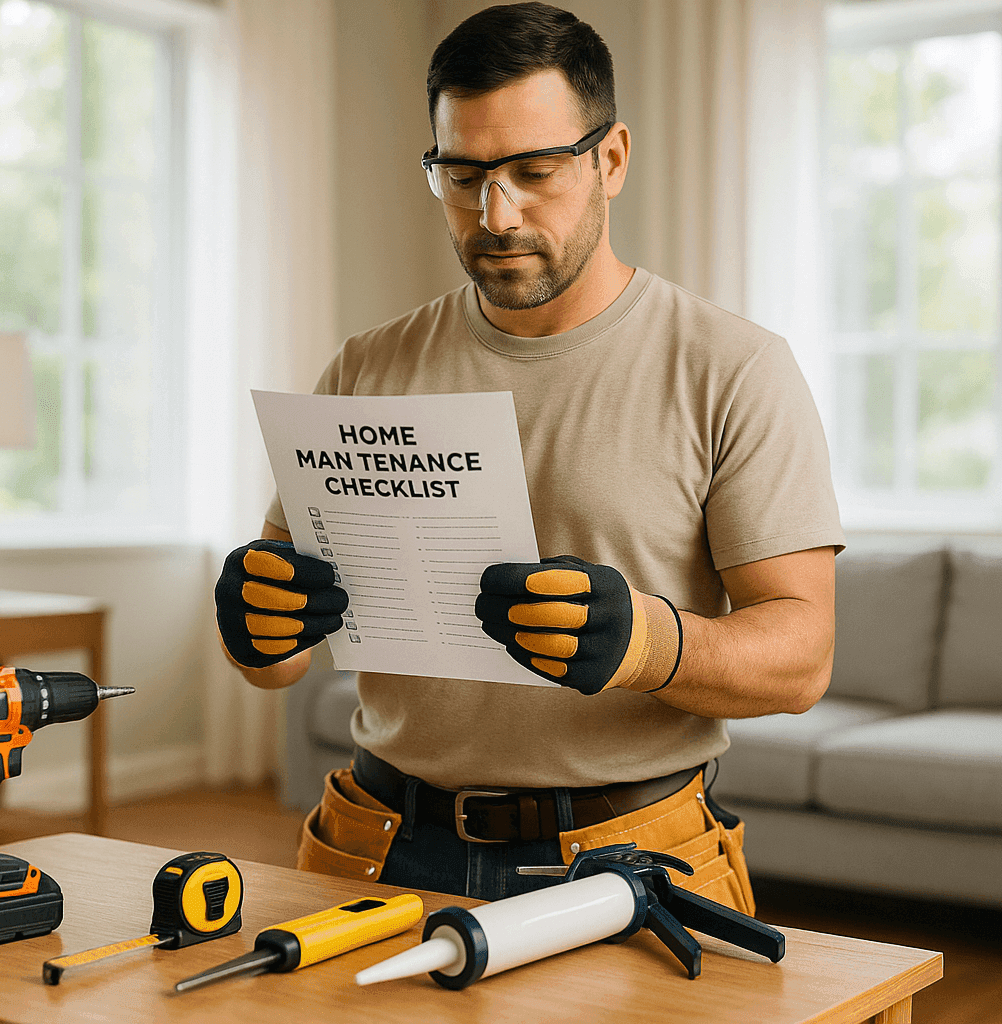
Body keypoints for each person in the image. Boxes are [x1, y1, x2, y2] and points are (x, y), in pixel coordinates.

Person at [214, 2, 842, 915]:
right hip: (375, 843)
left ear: (611, 158)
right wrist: (256, 630)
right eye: (460, 175)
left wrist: (648, 642)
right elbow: (280, 659)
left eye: (534, 171)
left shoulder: (732, 366)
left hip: (633, 863)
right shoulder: (365, 366)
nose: (494, 213)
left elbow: (803, 656)